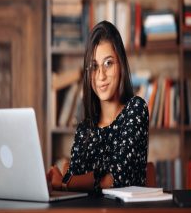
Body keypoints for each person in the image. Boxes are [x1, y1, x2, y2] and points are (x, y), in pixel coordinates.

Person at [47, 20, 149, 192]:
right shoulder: (85, 128)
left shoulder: (136, 109)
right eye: (94, 66)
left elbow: (115, 180)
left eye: (108, 63)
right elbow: (73, 179)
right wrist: (64, 178)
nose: (100, 75)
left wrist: (65, 182)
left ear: (121, 65)